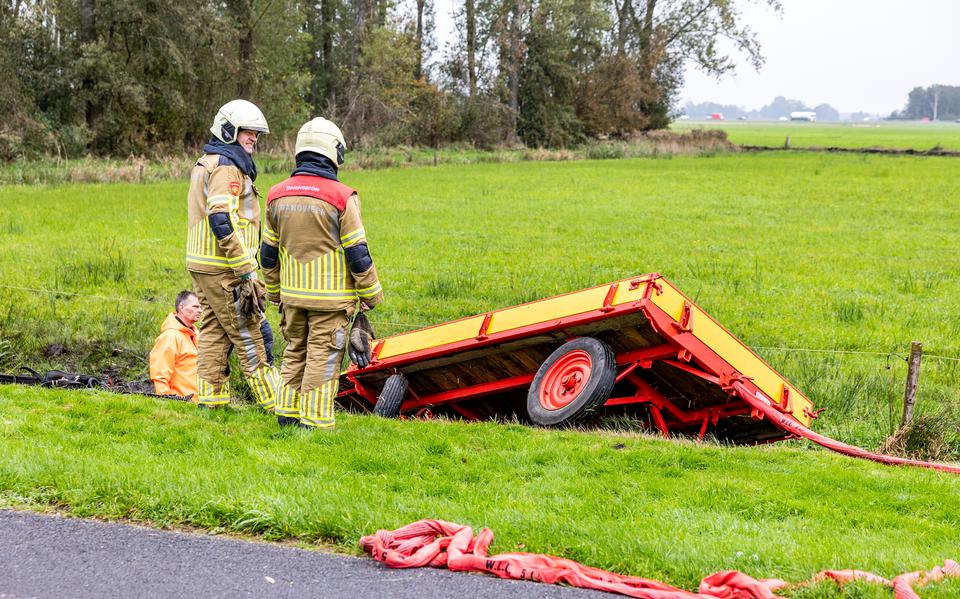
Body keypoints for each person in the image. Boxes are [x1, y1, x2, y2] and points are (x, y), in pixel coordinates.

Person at [261, 117, 383, 429]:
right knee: (323, 358)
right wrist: (371, 294)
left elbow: (268, 254)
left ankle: (286, 414)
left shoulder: (276, 195)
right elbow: (358, 253)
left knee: (294, 352)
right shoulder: (342, 197)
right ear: (333, 152)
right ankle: (314, 421)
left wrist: (274, 292)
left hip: (292, 296)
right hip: (331, 300)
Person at [185, 99, 279, 410]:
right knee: (249, 332)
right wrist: (245, 268)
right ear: (228, 131)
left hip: (203, 263)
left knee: (212, 330)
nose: (253, 138)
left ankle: (211, 404)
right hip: (225, 267)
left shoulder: (208, 161)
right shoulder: (227, 167)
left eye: (256, 134)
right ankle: (277, 406)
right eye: (247, 132)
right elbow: (221, 218)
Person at [149, 291, 200, 399]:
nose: (200, 310)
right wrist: (167, 402)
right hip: (181, 404)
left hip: (198, 406)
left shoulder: (196, 334)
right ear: (181, 307)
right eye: (195, 307)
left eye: (200, 307)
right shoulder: (170, 337)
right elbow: (160, 375)